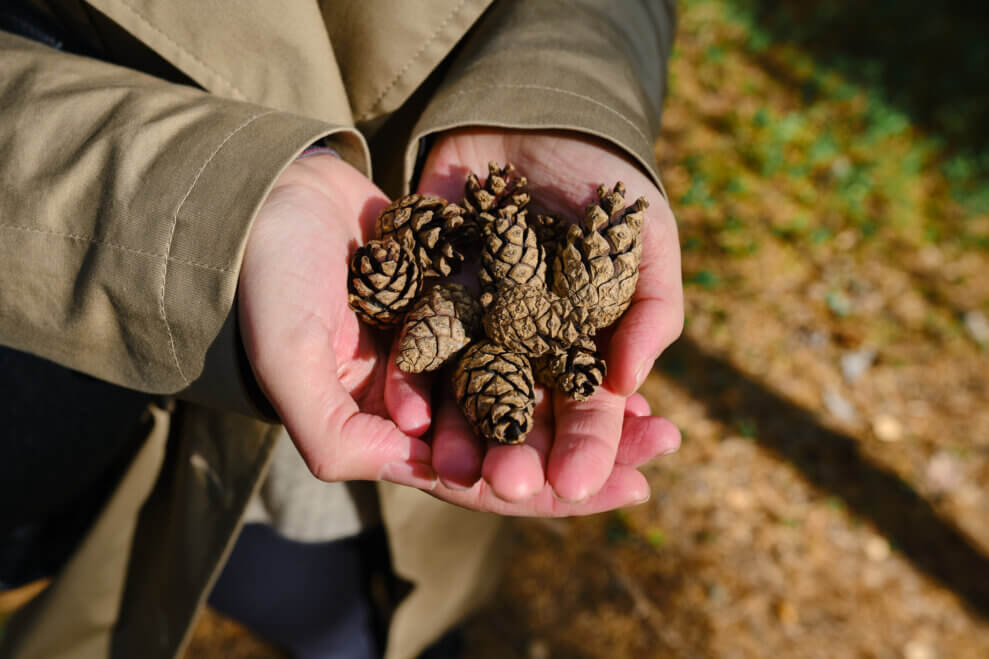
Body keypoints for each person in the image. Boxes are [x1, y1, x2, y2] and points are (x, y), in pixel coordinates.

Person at [0, 1, 683, 657]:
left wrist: (562, 99)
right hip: (78, 364)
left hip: (363, 358)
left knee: (360, 599)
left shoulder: (490, 308)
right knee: (164, 563)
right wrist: (221, 203)